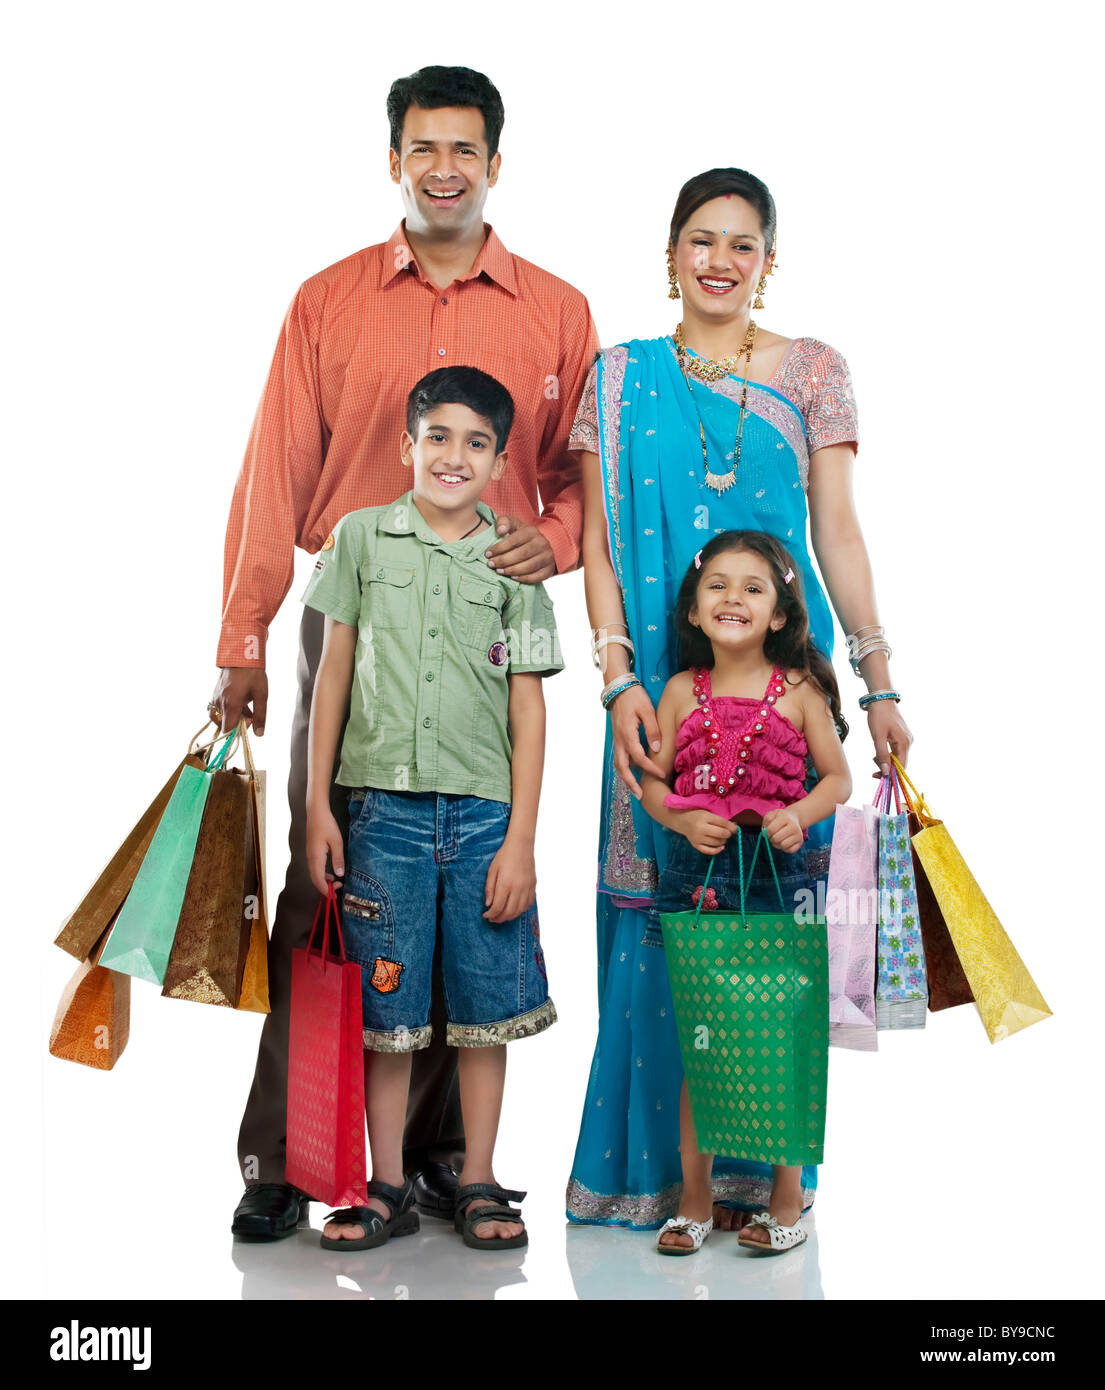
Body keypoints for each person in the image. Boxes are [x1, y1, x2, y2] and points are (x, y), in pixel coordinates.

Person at [218, 65, 597, 1241]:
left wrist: (555, 542)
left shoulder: (554, 310)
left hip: (487, 621)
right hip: (353, 622)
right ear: (393, 160)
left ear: (496, 163)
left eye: (465, 149)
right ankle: (296, 1149)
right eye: (422, 148)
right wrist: (244, 635)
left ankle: (435, 1160)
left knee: (462, 893)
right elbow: (276, 470)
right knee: (330, 891)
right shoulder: (329, 301)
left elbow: (583, 475)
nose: (444, 168)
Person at [565, 166, 913, 1230]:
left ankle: (770, 1186)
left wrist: (877, 676)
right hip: (667, 697)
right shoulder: (616, 377)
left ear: (768, 264)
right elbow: (595, 543)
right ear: (669, 253)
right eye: (698, 241)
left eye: (740, 245)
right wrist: (619, 674)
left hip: (774, 703)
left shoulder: (813, 372)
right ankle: (655, 1182)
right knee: (663, 907)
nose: (717, 261)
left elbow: (836, 535)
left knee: (768, 942)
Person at [301, 366, 561, 1252]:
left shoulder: (515, 561)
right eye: (438, 437)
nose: (454, 457)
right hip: (384, 815)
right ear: (407, 445)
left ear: (498, 461)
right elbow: (332, 675)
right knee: (388, 1014)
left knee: (488, 1007)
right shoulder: (360, 540)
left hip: (485, 816)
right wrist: (318, 806)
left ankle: (479, 1179)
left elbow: (528, 706)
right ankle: (385, 1184)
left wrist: (521, 838)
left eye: (477, 443)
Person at [638, 533, 851, 1253]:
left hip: (778, 883)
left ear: (781, 615)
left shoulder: (798, 693)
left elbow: (836, 779)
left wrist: (798, 815)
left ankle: (787, 1201)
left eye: (753, 588)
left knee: (783, 1042)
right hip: (698, 885)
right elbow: (652, 782)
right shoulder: (676, 691)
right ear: (694, 611)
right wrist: (677, 814)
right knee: (703, 1046)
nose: (733, 598)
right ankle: (693, 1202)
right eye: (717, 586)